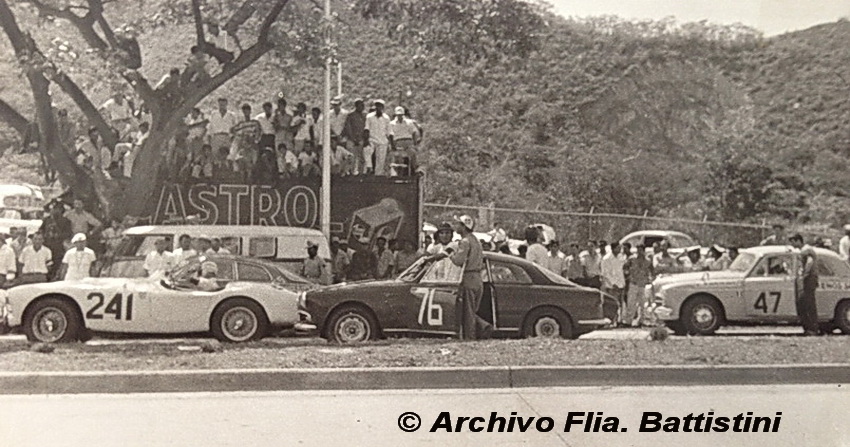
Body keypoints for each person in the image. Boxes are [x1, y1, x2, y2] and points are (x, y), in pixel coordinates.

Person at [432, 215, 491, 340]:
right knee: (472, 310)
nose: (456, 226)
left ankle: (471, 337)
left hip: (468, 277)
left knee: (467, 313)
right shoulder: (475, 240)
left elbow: (458, 261)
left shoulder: (464, 242)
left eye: (458, 224)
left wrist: (451, 254)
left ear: (464, 227)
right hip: (478, 278)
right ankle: (481, 327)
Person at [788, 234, 820, 335]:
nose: (792, 244)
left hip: (809, 279)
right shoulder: (804, 250)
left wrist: (805, 273)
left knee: (808, 304)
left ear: (798, 241)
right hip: (807, 279)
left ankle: (813, 329)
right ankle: (809, 328)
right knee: (804, 304)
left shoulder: (806, 250)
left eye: (793, 242)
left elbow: (809, 262)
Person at [40, 202, 73, 280]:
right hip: (47, 245)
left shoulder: (66, 221)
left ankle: (54, 277)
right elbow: (41, 230)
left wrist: (58, 233)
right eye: (53, 209)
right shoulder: (47, 220)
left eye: (56, 209)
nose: (54, 211)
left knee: (56, 263)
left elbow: (68, 234)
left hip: (58, 246)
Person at [229, 103, 261, 177]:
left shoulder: (255, 122)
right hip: (243, 142)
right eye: (244, 111)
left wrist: (255, 141)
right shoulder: (241, 124)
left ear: (250, 111)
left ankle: (253, 170)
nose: (246, 113)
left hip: (252, 142)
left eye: (247, 111)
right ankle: (235, 166)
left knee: (254, 156)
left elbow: (259, 133)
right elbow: (232, 130)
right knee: (238, 153)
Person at [625, 244, 653, 326]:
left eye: (641, 250)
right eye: (638, 250)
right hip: (633, 283)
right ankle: (628, 321)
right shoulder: (632, 259)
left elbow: (651, 271)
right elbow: (625, 268)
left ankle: (642, 320)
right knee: (631, 303)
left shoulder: (648, 261)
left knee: (643, 304)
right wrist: (628, 275)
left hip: (643, 284)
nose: (639, 252)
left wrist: (649, 280)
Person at [388, 106, 420, 175]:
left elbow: (414, 132)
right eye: (398, 115)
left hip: (408, 141)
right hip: (398, 141)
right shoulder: (392, 124)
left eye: (401, 115)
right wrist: (392, 145)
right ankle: (395, 173)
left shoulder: (409, 122)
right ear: (396, 115)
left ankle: (415, 169)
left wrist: (414, 143)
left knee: (413, 153)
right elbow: (390, 135)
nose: (400, 116)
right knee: (397, 157)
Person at [601, 243, 627, 324]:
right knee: (612, 304)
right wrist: (613, 283)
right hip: (611, 286)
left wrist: (622, 283)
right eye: (618, 248)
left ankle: (619, 320)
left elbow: (622, 271)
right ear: (613, 248)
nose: (619, 250)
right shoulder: (606, 259)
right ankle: (611, 321)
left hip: (621, 284)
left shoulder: (621, 257)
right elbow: (605, 273)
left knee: (620, 304)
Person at [364, 99, 391, 175]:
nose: (378, 108)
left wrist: (391, 143)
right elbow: (366, 128)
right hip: (372, 139)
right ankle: (369, 167)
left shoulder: (386, 118)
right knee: (367, 150)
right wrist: (366, 140)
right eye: (377, 106)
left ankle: (378, 175)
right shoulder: (369, 116)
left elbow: (389, 131)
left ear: (382, 107)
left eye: (380, 106)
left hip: (382, 141)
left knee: (381, 159)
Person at [342, 98, 368, 174]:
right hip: (352, 140)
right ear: (356, 106)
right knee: (351, 157)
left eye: (363, 105)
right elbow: (348, 127)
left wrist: (364, 139)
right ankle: (351, 172)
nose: (362, 107)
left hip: (361, 140)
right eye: (360, 105)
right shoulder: (351, 115)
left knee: (362, 158)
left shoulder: (365, 116)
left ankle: (361, 173)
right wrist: (353, 139)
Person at [208, 98, 238, 163]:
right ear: (218, 104)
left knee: (227, 155)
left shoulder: (231, 115)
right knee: (215, 155)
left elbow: (235, 127)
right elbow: (210, 127)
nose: (222, 106)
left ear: (226, 104)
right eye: (220, 104)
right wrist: (209, 137)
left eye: (223, 104)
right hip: (216, 136)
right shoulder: (214, 114)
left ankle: (227, 170)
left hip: (227, 136)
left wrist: (232, 137)